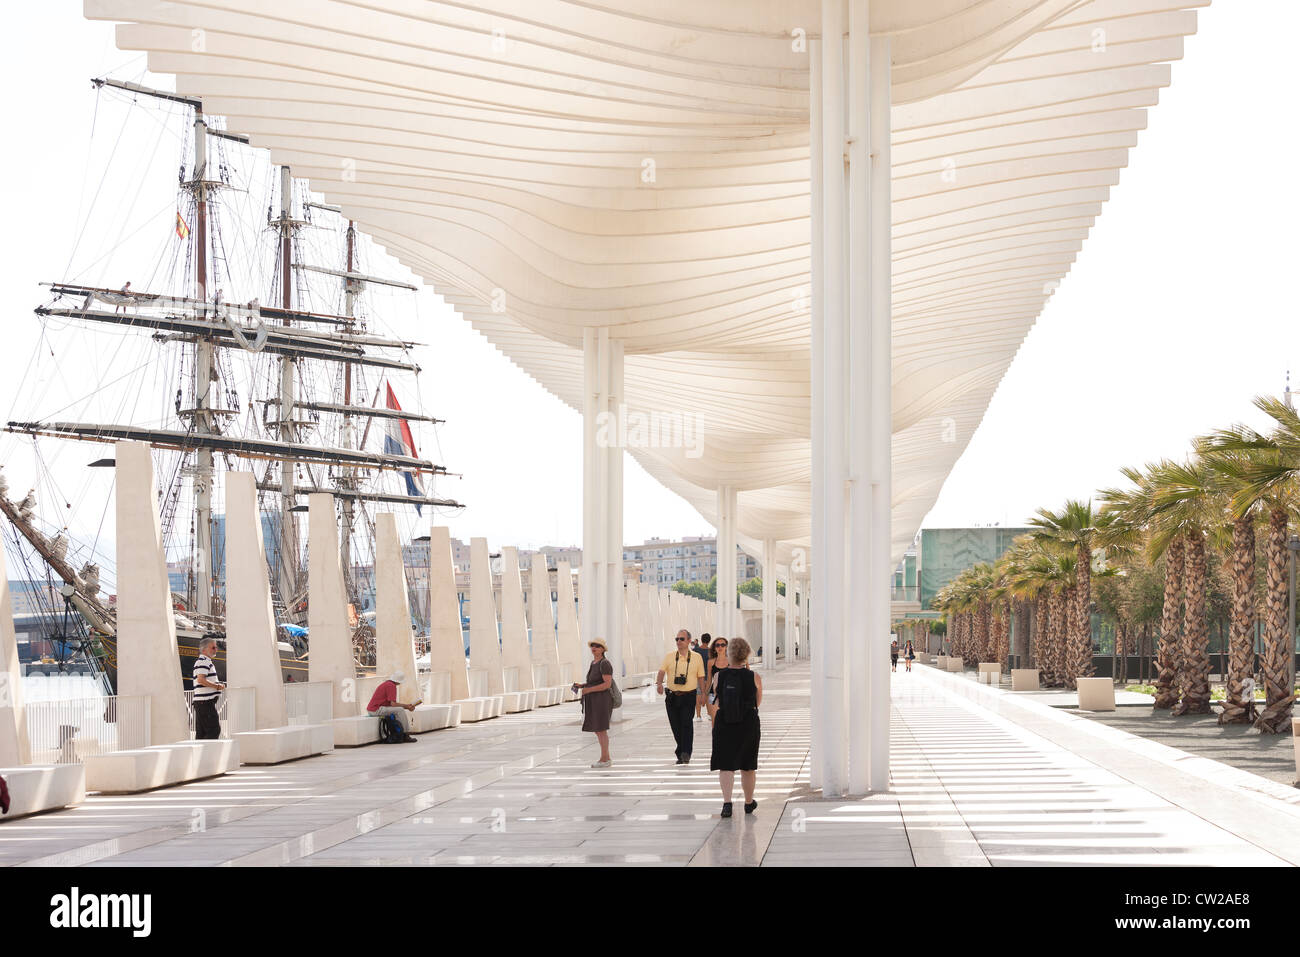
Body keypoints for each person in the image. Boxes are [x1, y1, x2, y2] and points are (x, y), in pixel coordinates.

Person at [710, 637, 762, 818]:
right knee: (747, 766)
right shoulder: (754, 677)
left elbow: (717, 698)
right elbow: (758, 702)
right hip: (748, 723)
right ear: (746, 655)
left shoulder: (718, 676)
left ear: (729, 653)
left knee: (726, 765)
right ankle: (748, 802)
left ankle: (727, 803)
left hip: (725, 722)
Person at [657, 629, 706, 764]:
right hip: (672, 696)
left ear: (689, 641)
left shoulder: (696, 657)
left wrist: (702, 694)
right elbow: (661, 671)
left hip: (688, 696)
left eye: (681, 639)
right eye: (677, 639)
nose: (679, 641)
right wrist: (659, 684)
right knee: (675, 725)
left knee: (686, 724)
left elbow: (701, 677)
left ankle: (685, 753)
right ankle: (681, 749)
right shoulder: (669, 656)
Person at [574, 636, 614, 767]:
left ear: (603, 649)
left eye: (597, 646)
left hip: (602, 700)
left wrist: (589, 690)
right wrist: (583, 686)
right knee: (598, 729)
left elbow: (607, 684)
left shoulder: (605, 663)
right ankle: (606, 758)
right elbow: (594, 682)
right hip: (595, 700)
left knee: (601, 729)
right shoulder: (594, 663)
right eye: (592, 646)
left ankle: (604, 759)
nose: (594, 648)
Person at [366, 670, 419, 742]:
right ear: (399, 681)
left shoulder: (387, 684)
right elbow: (393, 704)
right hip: (376, 709)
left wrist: (407, 706)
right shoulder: (391, 686)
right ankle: (406, 735)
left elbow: (392, 704)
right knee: (400, 710)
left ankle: (400, 733)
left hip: (373, 709)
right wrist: (407, 706)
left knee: (399, 710)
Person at [192, 636, 225, 739]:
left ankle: (199, 755)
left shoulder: (203, 661)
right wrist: (217, 686)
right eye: (213, 647)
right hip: (205, 703)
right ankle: (206, 754)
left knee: (201, 734)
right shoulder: (204, 661)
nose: (216, 649)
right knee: (214, 731)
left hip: (202, 703)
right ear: (204, 649)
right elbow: (201, 680)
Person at [706, 636, 729, 716]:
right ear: (714, 648)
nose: (720, 647)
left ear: (726, 647)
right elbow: (709, 680)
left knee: (728, 720)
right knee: (714, 720)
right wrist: (704, 694)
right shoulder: (711, 662)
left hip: (729, 693)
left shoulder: (732, 661)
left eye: (723, 645)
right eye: (717, 645)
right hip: (713, 694)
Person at [695, 633, 713, 721]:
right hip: (708, 677)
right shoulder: (711, 651)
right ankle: (709, 714)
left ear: (701, 639)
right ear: (709, 640)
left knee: (698, 695)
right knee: (708, 695)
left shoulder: (696, 650)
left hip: (698, 677)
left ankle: (698, 716)